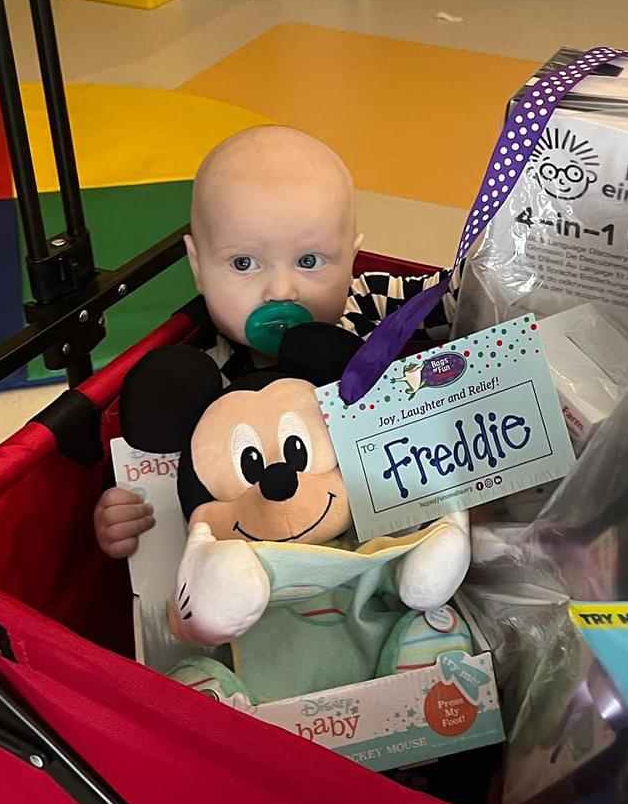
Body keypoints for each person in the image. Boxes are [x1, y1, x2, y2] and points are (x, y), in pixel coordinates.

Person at [95, 126, 457, 557]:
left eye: (309, 261)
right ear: (197, 267)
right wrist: (118, 516)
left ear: (351, 260)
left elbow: (456, 298)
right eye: (244, 263)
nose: (281, 290)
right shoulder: (199, 378)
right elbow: (157, 479)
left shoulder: (366, 304)